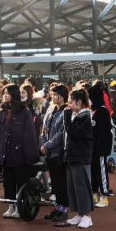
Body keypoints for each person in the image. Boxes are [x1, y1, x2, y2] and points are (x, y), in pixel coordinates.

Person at [0, 84, 38, 219]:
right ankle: (11, 206)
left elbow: (29, 135)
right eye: (3, 93)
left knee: (21, 182)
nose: (5, 95)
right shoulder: (1, 113)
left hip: (20, 154)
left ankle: (20, 207)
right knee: (8, 183)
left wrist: (29, 156)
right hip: (5, 155)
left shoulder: (24, 112)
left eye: (7, 93)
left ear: (14, 95)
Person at [58, 89, 94, 229]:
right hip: (72, 155)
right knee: (72, 186)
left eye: (71, 101)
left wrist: (67, 115)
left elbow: (72, 132)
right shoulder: (76, 116)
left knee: (82, 185)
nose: (69, 104)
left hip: (80, 156)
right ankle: (79, 213)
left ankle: (87, 216)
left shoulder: (85, 116)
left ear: (79, 102)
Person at [40, 84, 69, 222]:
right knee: (55, 183)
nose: (53, 97)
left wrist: (47, 145)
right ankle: (58, 208)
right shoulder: (51, 109)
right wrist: (44, 144)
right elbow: (44, 128)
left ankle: (64, 209)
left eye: (56, 94)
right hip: (49, 152)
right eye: (52, 94)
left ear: (62, 96)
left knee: (61, 182)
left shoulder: (66, 111)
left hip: (59, 152)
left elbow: (61, 134)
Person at [88, 85, 113, 208]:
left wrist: (100, 148)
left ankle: (104, 195)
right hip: (92, 148)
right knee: (93, 171)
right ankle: (95, 193)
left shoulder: (102, 112)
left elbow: (104, 133)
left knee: (101, 172)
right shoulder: (93, 111)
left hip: (100, 149)